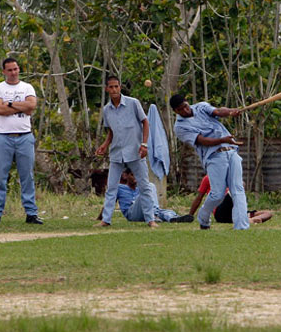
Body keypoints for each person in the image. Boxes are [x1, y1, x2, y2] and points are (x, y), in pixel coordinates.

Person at [170, 93, 249, 230]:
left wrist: (230, 112)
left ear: (187, 102)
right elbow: (202, 141)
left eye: (185, 106)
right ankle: (203, 216)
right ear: (175, 111)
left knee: (238, 189)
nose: (185, 111)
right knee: (217, 194)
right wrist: (222, 140)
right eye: (180, 110)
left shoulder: (201, 107)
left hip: (231, 151)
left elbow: (218, 111)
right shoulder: (180, 128)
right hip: (214, 156)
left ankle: (241, 226)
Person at [95, 76, 158, 228]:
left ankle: (151, 219)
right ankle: (106, 220)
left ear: (120, 87)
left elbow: (145, 122)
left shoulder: (133, 103)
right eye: (111, 87)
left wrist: (144, 144)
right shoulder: (106, 110)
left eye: (116, 86)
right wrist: (104, 145)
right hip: (117, 152)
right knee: (111, 187)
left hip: (135, 151)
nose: (114, 90)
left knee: (144, 185)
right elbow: (111, 132)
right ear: (106, 89)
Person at [0, 57, 43, 224]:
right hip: (3, 137)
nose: (13, 73)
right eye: (10, 70)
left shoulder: (27, 87)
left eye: (16, 69)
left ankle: (31, 213)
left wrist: (10, 104)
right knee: (0, 176)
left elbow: (31, 106)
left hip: (24, 136)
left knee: (27, 176)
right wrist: (21, 105)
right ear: (4, 71)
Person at [98, 168, 194, 223]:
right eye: (132, 174)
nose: (135, 177)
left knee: (166, 211)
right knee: (149, 187)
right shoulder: (120, 188)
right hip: (132, 213)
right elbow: (109, 203)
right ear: (126, 176)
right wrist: (101, 217)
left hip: (147, 211)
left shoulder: (141, 187)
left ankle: (174, 219)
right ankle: (154, 214)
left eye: (137, 174)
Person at [189, 175, 273, 224]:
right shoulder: (208, 178)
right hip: (220, 212)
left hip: (233, 213)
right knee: (239, 185)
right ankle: (245, 219)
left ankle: (249, 220)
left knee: (268, 213)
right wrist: (190, 215)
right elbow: (198, 198)